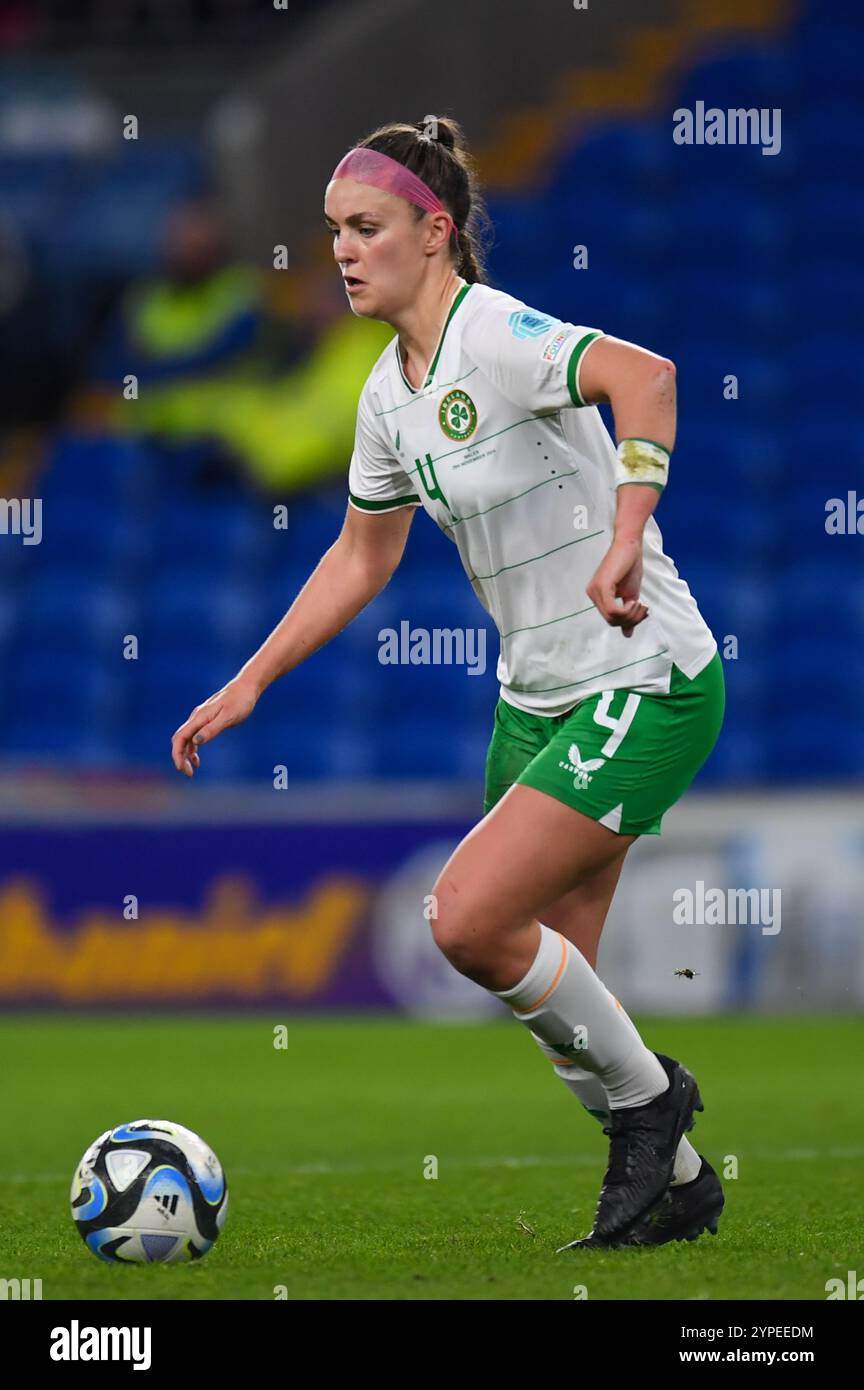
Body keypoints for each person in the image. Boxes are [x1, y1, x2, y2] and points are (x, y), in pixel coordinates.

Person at [171, 115, 726, 1250]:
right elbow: (360, 556)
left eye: (366, 227)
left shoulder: (500, 336)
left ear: (436, 234)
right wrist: (252, 681)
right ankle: (680, 1182)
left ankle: (656, 1105)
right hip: (537, 697)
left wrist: (628, 535)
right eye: (332, 231)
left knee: (466, 920)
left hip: (644, 675)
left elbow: (649, 379)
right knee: (568, 1002)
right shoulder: (386, 393)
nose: (342, 249)